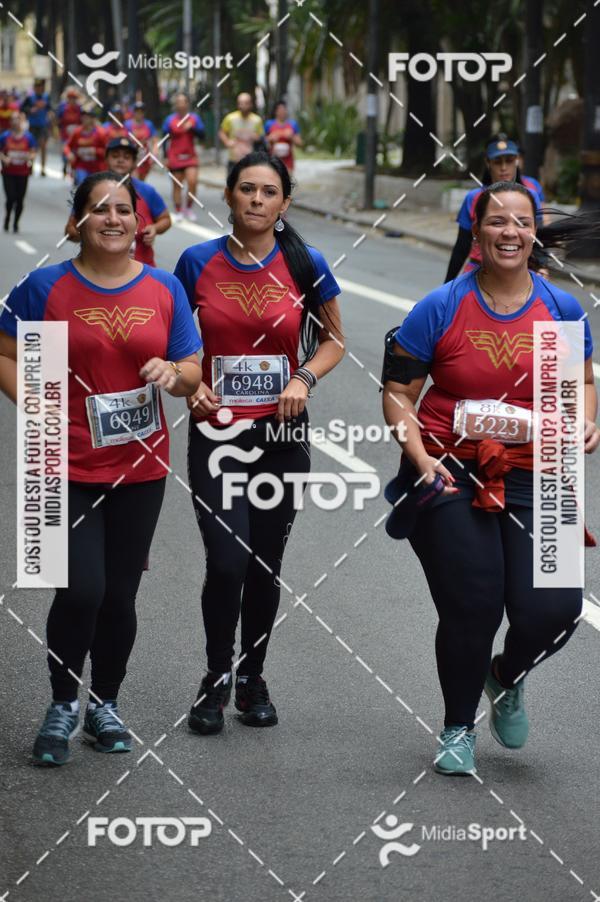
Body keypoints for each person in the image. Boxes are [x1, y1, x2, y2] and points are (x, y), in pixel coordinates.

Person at [382, 181, 599, 776]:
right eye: (496, 222)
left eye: (521, 222)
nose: (509, 232)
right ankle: (457, 729)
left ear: (534, 233)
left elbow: (582, 381)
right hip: (449, 469)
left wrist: (586, 419)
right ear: (475, 234)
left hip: (539, 472)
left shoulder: (561, 308)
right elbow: (399, 394)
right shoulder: (440, 307)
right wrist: (420, 460)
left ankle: (504, 675)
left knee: (552, 610)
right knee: (474, 601)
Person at [0, 171, 202, 766]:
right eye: (99, 209)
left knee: (119, 596)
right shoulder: (44, 287)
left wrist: (174, 374)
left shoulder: (164, 289)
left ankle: (104, 705)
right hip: (63, 462)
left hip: (140, 468)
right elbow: (6, 352)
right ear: (78, 221)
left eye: (123, 209)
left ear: (141, 222)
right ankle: (63, 703)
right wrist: (36, 403)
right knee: (81, 589)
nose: (113, 219)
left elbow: (192, 368)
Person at [174, 151, 344, 734]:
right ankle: (215, 676)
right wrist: (190, 388)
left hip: (281, 437)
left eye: (268, 192)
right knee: (227, 561)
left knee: (265, 565)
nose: (255, 200)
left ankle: (252, 678)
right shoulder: (196, 261)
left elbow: (334, 342)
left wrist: (303, 377)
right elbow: (177, 345)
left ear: (284, 203)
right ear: (227, 195)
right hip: (217, 434)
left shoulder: (306, 262)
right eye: (245, 189)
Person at [445, 136, 545, 282]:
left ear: (517, 161)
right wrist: (447, 286)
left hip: (520, 274)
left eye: (509, 161)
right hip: (479, 272)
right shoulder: (473, 198)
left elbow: (539, 238)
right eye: (497, 162)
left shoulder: (531, 195)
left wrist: (542, 267)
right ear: (488, 163)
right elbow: (462, 246)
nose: (503, 168)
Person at [65, 137, 171, 267]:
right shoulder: (90, 190)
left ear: (134, 162)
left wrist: (155, 228)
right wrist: (94, 235)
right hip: (96, 270)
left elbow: (165, 219)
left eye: (126, 157)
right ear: (106, 159)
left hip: (142, 269)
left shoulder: (147, 191)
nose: (120, 160)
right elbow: (70, 230)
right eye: (115, 156)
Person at [162, 93, 204, 222]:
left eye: (183, 101)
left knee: (192, 182)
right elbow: (164, 139)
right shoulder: (170, 120)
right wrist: (165, 157)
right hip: (175, 156)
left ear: (187, 104)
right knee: (177, 186)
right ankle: (179, 211)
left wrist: (193, 128)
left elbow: (203, 136)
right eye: (178, 102)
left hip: (190, 156)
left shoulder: (194, 119)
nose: (181, 104)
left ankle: (189, 208)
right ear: (175, 105)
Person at [0, 111, 36, 232]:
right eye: (13, 119)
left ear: (22, 122)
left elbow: (33, 152)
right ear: (11, 122)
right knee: (11, 197)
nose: (15, 122)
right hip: (8, 172)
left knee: (20, 199)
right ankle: (7, 217)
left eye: (18, 119)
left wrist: (29, 157)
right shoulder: (5, 136)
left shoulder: (28, 137)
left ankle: (16, 222)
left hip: (22, 172)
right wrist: (4, 158)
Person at [218, 93, 264, 177]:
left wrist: (256, 137)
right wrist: (227, 142)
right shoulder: (230, 118)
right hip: (234, 159)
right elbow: (222, 132)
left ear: (251, 104)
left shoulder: (257, 120)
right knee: (232, 186)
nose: (242, 106)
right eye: (240, 103)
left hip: (250, 160)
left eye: (245, 103)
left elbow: (261, 137)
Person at [64, 107, 107, 186]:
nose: (84, 119)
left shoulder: (101, 133)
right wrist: (69, 154)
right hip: (81, 165)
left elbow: (108, 152)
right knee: (83, 185)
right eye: (83, 116)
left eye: (88, 117)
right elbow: (67, 146)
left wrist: (96, 151)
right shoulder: (77, 132)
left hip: (97, 167)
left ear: (93, 119)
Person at [20, 78, 52, 176]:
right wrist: (30, 110)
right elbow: (22, 108)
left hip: (43, 125)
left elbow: (50, 109)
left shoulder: (46, 97)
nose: (38, 88)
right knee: (32, 147)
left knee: (43, 147)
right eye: (37, 87)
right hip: (33, 126)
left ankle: (43, 168)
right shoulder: (30, 98)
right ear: (34, 88)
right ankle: (31, 167)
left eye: (40, 87)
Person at [264, 101, 302, 172]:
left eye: (284, 110)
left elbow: (300, 143)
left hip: (288, 161)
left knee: (287, 181)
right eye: (279, 110)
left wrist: (292, 137)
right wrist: (270, 138)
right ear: (275, 111)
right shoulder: (269, 124)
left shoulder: (292, 124)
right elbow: (263, 141)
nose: (282, 112)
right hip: (273, 159)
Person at [125, 101, 158, 181]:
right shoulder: (128, 124)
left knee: (142, 181)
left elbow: (155, 140)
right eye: (137, 111)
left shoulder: (149, 124)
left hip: (144, 156)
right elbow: (124, 140)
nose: (139, 113)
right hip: (132, 155)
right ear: (134, 112)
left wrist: (154, 154)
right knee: (134, 179)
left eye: (141, 111)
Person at [56, 88, 82, 176]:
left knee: (74, 152)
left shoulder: (79, 108)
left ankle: (73, 169)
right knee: (65, 151)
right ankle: (65, 165)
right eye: (70, 97)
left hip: (76, 135)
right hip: (65, 134)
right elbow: (58, 120)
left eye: (74, 98)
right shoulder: (63, 108)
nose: (72, 100)